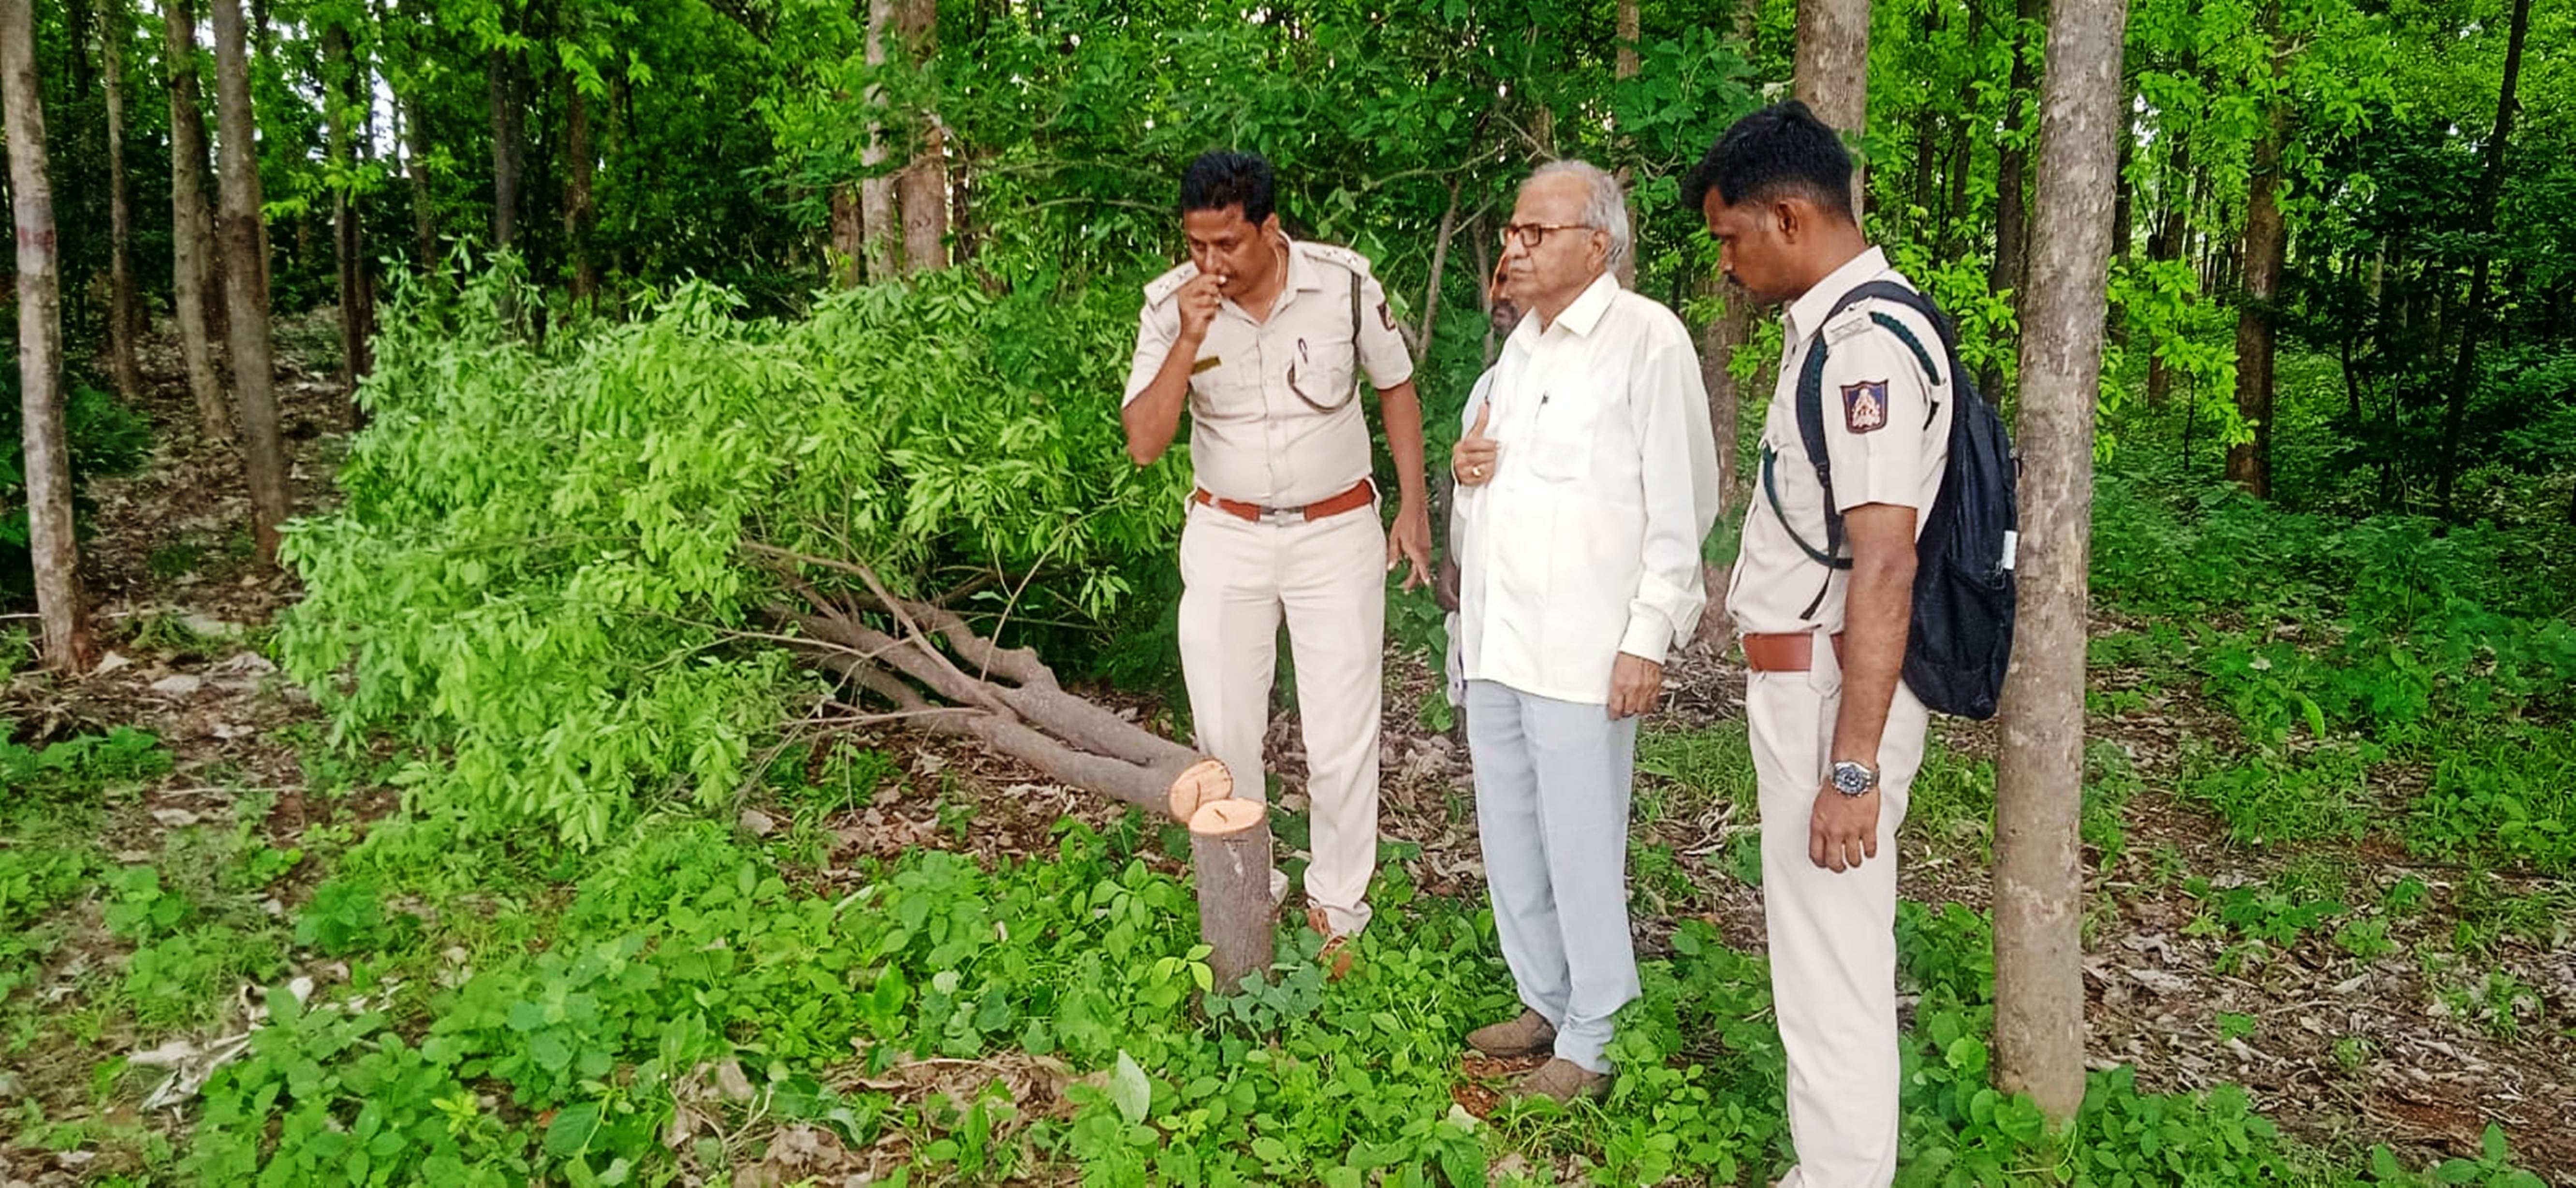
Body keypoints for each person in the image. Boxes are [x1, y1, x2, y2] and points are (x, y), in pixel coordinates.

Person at [1684, 101, 1953, 1185]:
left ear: (1789, 218)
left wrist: (1852, 769)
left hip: (1832, 700)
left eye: (1729, 239)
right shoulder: (1844, 332)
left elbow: (1886, 562)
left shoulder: (1862, 349)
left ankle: (1843, 1175)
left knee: (1832, 961)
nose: (1727, 264)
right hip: (1811, 687)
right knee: (1819, 955)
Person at [1449, 159, 1721, 1102]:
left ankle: (1593, 1040)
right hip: (1498, 641)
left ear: (1595, 245)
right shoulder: (1517, 352)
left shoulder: (1648, 342)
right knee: (1512, 834)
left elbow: (1685, 504)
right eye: (1513, 233)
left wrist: (1650, 633)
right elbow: (1488, 488)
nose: (1512, 248)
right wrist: (1464, 467)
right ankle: (1544, 994)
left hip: (1583, 649)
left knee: (1580, 840)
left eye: (1535, 233)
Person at [1121, 150, 1433, 965]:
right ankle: (1248, 878)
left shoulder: (1345, 284)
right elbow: (1146, 444)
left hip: (1336, 531)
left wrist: (1414, 507)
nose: (1210, 262)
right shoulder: (1168, 306)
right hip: (1227, 534)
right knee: (1225, 724)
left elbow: (1395, 387)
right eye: (1196, 245)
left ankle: (1338, 903)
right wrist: (1189, 338)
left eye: (1227, 243)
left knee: (1342, 727)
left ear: (1270, 228)